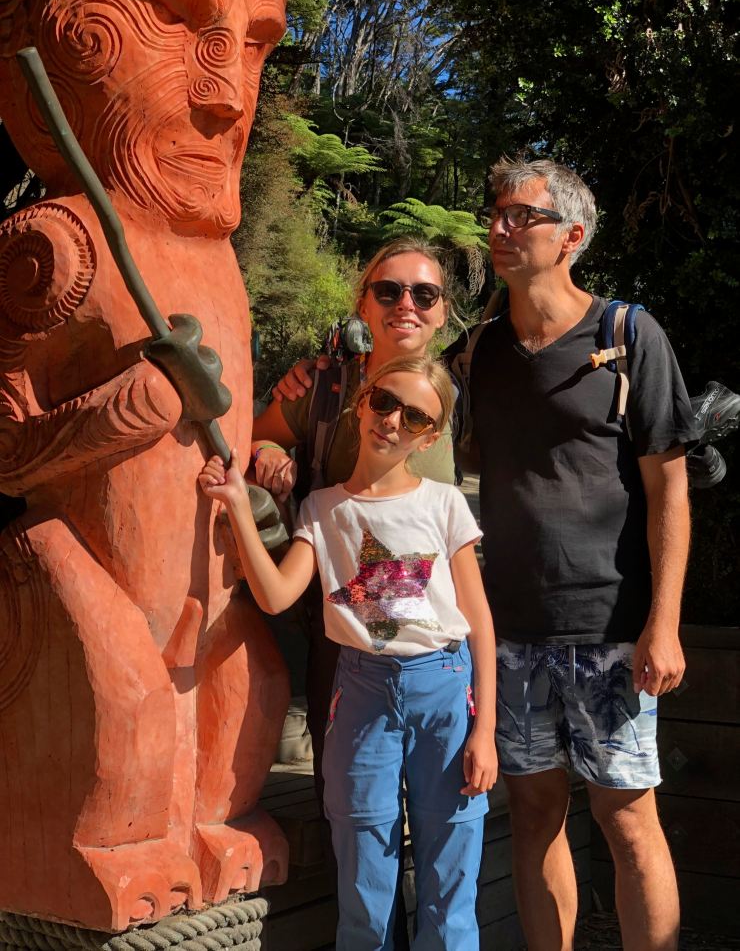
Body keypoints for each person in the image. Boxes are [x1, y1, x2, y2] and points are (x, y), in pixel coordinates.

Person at [446, 156, 695, 951]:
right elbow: (408, 417)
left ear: (572, 237)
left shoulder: (627, 335)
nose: (500, 228)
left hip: (612, 626)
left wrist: (665, 624)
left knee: (627, 818)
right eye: (497, 214)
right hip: (511, 630)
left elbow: (670, 492)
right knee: (532, 817)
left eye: (523, 216)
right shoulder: (479, 351)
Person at [199, 356, 497, 950]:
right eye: (384, 402)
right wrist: (237, 506)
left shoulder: (444, 504)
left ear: (429, 437)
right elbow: (279, 594)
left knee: (451, 872)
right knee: (363, 874)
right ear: (362, 402)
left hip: (444, 688)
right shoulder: (322, 507)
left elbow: (481, 622)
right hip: (360, 694)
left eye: (414, 417)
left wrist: (484, 730)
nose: (393, 422)